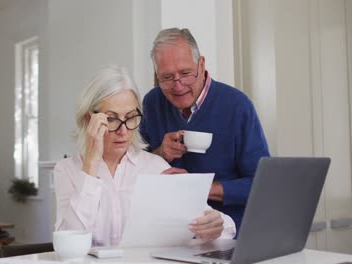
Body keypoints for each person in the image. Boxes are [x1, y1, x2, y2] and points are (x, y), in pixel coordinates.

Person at [54, 65, 236, 247]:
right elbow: (67, 243)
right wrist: (91, 164)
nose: (123, 130)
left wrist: (215, 225)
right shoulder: (67, 170)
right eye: (111, 119)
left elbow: (225, 228)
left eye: (131, 117)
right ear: (89, 120)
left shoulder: (156, 167)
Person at [140, 28, 270, 231]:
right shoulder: (152, 102)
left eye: (185, 73)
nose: (178, 85)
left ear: (201, 64)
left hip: (227, 235)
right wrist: (159, 153)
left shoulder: (237, 106)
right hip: (167, 232)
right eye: (166, 78)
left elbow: (263, 185)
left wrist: (202, 189)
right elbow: (132, 169)